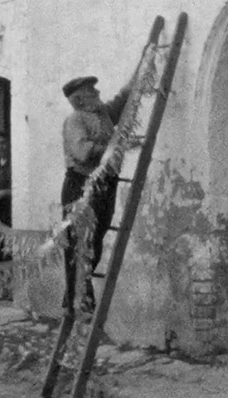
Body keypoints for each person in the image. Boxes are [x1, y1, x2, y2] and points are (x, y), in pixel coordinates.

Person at [61, 75, 131, 316]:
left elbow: (123, 99)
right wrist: (116, 148)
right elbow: (83, 152)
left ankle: (74, 294)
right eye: (92, 91)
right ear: (79, 100)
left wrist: (144, 65)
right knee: (79, 243)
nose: (98, 92)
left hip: (104, 186)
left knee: (96, 240)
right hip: (81, 186)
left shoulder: (103, 114)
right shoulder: (75, 120)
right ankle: (79, 299)